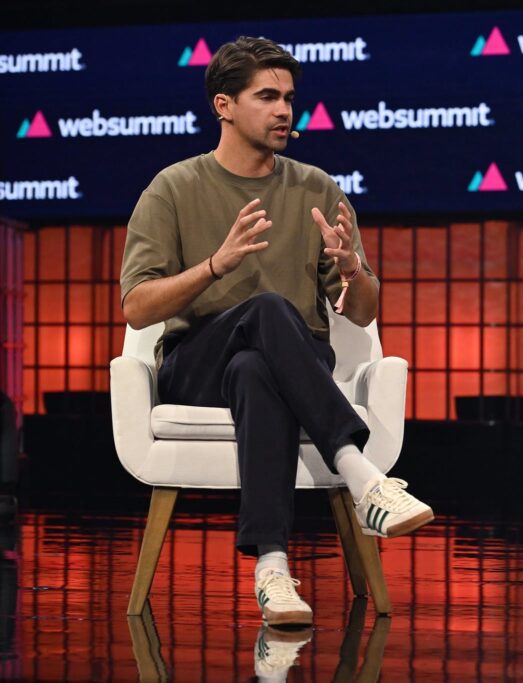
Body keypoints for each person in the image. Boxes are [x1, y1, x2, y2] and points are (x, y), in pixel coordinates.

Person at [120, 36, 433, 629]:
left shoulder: (317, 188)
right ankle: (361, 473)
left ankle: (271, 567)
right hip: (197, 363)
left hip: (286, 362)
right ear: (224, 105)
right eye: (267, 96)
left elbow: (362, 312)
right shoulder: (173, 188)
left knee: (257, 368)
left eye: (290, 97)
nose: (285, 110)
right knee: (263, 312)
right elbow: (137, 309)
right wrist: (215, 266)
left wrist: (352, 271)